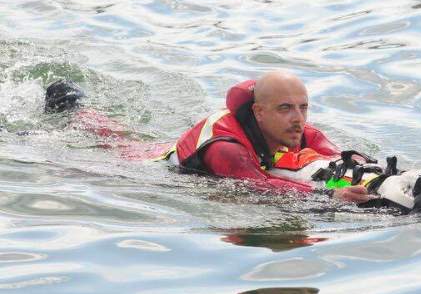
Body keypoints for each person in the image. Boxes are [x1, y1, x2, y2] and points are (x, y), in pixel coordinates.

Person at [44, 72, 376, 204]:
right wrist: (332, 196)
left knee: (125, 134)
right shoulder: (227, 152)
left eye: (303, 108)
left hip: (168, 145)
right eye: (286, 108)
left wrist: (366, 172)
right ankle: (70, 108)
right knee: (115, 143)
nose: (298, 119)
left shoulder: (292, 126)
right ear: (259, 112)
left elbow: (332, 152)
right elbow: (262, 185)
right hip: (147, 166)